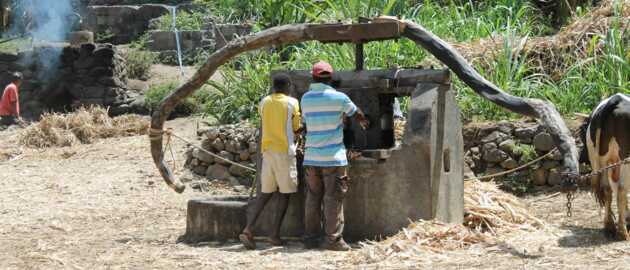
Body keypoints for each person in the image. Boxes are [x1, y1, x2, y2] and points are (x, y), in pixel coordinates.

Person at [301, 61, 369, 251]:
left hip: (311, 158)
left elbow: (306, 124)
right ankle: (332, 240)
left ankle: (310, 239)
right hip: (333, 158)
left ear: (313, 77)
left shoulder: (305, 98)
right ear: (330, 78)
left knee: (313, 198)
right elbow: (358, 115)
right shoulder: (340, 98)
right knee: (333, 198)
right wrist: (365, 123)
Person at [239, 75, 301, 250]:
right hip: (284, 152)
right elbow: (296, 127)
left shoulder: (264, 102)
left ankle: (248, 228)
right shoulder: (292, 103)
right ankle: (274, 235)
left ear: (274, 87)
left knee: (265, 192)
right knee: (285, 192)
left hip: (267, 152)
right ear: (288, 85)